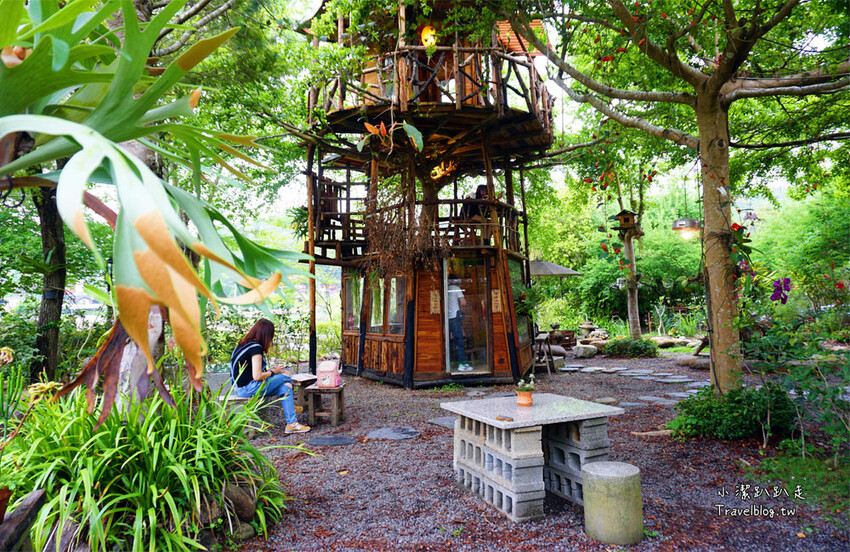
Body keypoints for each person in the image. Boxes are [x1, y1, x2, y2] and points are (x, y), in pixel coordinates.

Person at [230, 319, 310, 434]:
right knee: (287, 376)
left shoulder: (243, 344)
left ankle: (291, 424)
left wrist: (272, 370)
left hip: (240, 388)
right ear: (266, 335)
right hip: (248, 388)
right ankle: (289, 407)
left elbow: (250, 372)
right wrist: (274, 372)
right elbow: (257, 376)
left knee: (286, 388)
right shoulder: (255, 347)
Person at [447, 274, 473, 372]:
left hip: (447, 319)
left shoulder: (445, 288)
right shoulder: (456, 288)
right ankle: (462, 364)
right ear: (454, 280)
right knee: (459, 342)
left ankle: (450, 364)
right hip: (455, 317)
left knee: (450, 341)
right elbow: (463, 302)